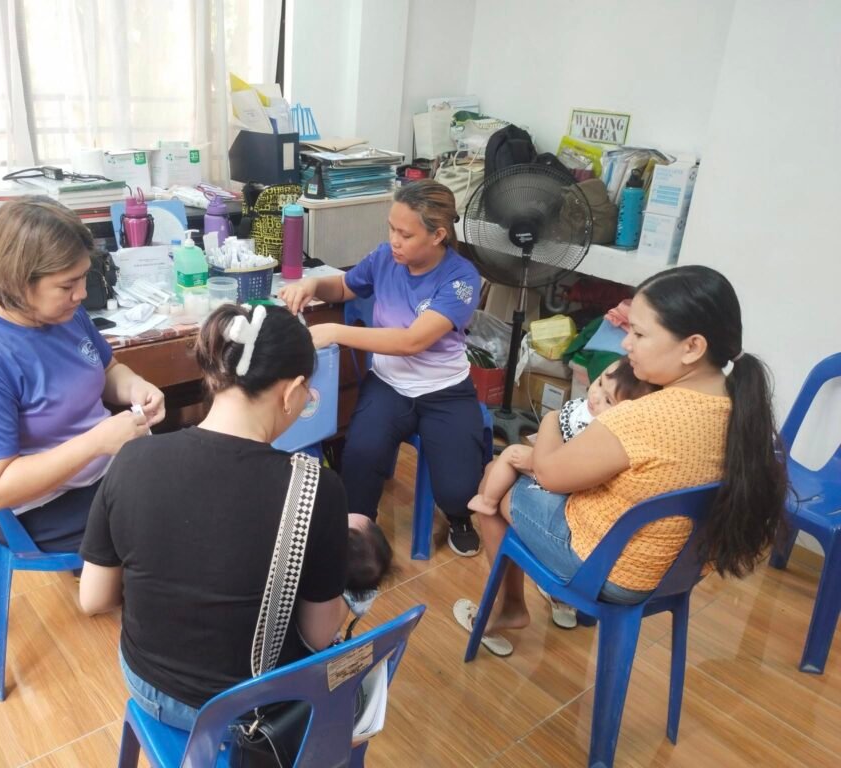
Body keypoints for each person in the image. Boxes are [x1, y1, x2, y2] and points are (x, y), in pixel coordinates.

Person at [454, 265, 788, 657]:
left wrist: (550, 421)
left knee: (497, 475)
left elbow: (549, 473)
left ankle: (507, 606)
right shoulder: (742, 413)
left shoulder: (647, 416)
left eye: (640, 334)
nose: (626, 343)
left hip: (610, 570)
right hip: (677, 571)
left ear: (692, 347)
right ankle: (544, 600)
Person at [78, 304, 350, 731]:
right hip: (247, 710)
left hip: (146, 685)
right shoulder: (316, 490)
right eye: (308, 395)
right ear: (292, 390)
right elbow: (317, 636)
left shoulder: (133, 458)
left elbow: (94, 599)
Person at [0, 197, 165, 552]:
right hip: (37, 506)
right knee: (177, 516)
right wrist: (96, 442)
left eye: (84, 277)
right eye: (67, 285)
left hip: (99, 468)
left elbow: (107, 369)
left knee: (195, 475)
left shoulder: (64, 314)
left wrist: (135, 387)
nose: (81, 294)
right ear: (18, 282)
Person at [279, 180, 486, 556]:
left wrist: (335, 332)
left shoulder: (461, 278)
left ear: (438, 235)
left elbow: (412, 341)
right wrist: (313, 285)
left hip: (445, 391)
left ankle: (458, 516)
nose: (394, 240)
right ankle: (356, 536)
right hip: (389, 384)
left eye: (405, 234)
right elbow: (345, 287)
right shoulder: (385, 258)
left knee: (459, 491)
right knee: (360, 456)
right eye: (391, 229)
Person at [468, 358, 658, 517]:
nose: (595, 396)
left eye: (608, 400)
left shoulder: (598, 429)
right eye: (600, 383)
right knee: (497, 465)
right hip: (554, 461)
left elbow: (570, 462)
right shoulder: (588, 410)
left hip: (563, 479)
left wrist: (535, 459)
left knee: (510, 453)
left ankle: (488, 502)